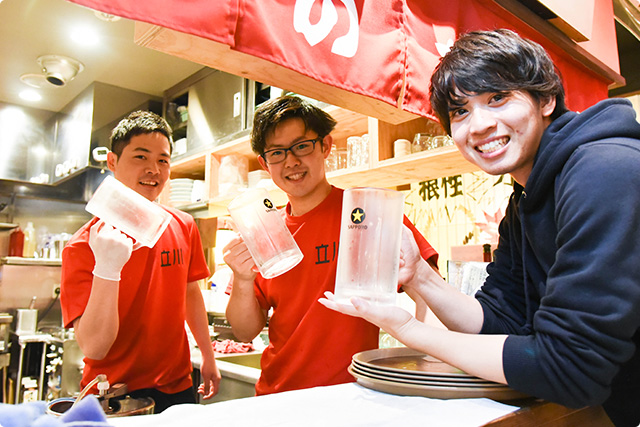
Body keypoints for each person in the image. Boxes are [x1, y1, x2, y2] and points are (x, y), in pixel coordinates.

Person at [320, 28, 640, 426]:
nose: (479, 125)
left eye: (498, 98)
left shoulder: (604, 170)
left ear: (546, 100)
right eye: (460, 111)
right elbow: (499, 321)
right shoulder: (524, 201)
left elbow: (570, 368)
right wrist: (420, 275)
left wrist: (408, 329)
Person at [223, 95, 439, 395]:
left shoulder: (366, 212)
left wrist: (433, 364)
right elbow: (245, 330)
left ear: (325, 146)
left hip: (352, 396)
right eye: (277, 152)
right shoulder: (266, 232)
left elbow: (430, 293)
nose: (291, 161)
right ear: (264, 162)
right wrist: (242, 279)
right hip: (276, 397)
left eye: (301, 146)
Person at [60, 111, 220, 413]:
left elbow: (190, 293)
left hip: (177, 386)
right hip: (115, 394)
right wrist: (107, 267)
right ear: (112, 162)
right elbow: (94, 347)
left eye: (163, 160)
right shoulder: (82, 245)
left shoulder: (183, 225)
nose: (153, 170)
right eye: (140, 157)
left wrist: (208, 357)